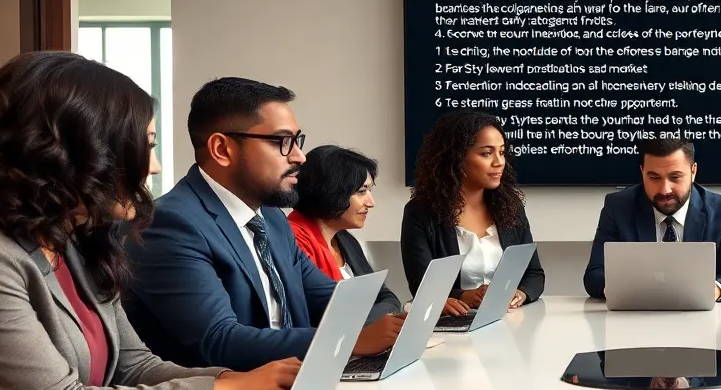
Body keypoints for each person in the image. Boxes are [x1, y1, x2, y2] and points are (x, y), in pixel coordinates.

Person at [0, 52, 298, 390]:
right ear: (81, 152)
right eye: (146, 146)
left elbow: (135, 366)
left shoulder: (77, 244)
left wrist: (243, 382)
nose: (153, 167)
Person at [123, 77, 405, 370]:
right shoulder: (170, 224)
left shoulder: (271, 219)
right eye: (282, 141)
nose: (299, 156)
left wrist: (406, 316)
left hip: (293, 387)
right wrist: (348, 341)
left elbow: (332, 299)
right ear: (222, 149)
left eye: (297, 141)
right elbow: (219, 341)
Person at [401, 111, 544, 316]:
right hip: (454, 323)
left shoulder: (511, 207)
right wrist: (465, 296)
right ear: (456, 157)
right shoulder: (420, 213)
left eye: (502, 152)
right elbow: (421, 284)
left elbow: (534, 274)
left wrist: (519, 294)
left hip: (508, 321)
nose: (499, 162)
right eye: (486, 153)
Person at [583, 135, 721, 301]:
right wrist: (622, 289)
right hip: (635, 316)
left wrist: (710, 292)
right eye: (654, 178)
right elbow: (594, 275)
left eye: (675, 177)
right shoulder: (617, 207)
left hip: (700, 318)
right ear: (642, 172)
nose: (665, 190)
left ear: (693, 172)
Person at [287, 145, 402, 317]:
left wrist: (372, 319)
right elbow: (326, 315)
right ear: (331, 191)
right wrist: (378, 319)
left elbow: (386, 296)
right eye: (362, 191)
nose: (371, 202)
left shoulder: (344, 238)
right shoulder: (293, 241)